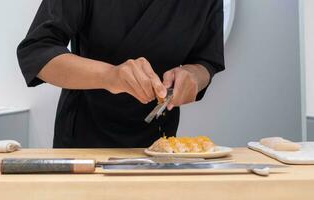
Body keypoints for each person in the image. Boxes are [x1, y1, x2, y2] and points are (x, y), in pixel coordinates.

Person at [17, 0, 225, 148]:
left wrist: (193, 76)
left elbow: (206, 60)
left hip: (159, 146)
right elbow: (37, 50)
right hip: (85, 137)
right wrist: (110, 75)